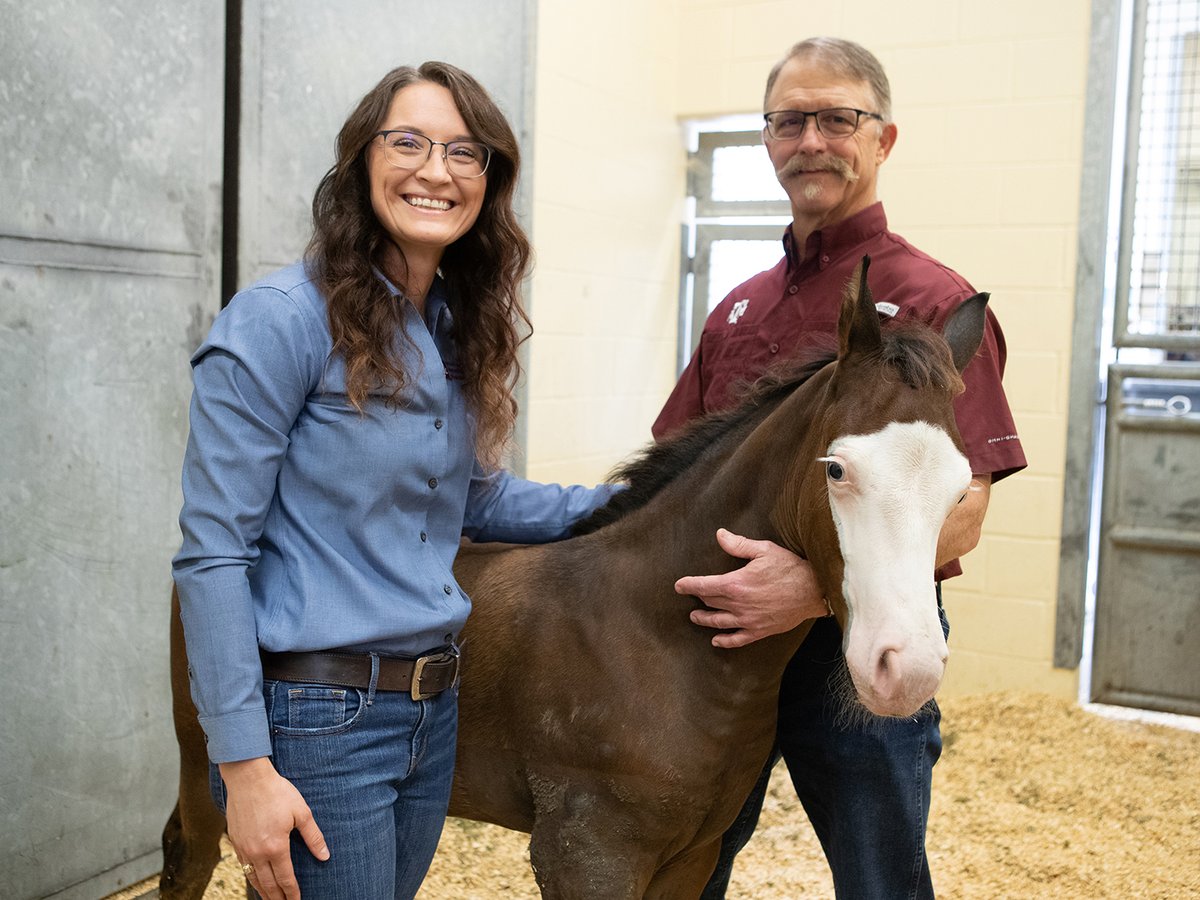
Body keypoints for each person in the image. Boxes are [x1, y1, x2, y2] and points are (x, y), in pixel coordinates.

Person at [172, 62, 617, 900]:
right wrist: (244, 766)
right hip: (315, 718)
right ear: (361, 161)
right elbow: (213, 554)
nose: (436, 170)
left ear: (488, 180)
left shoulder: (447, 326)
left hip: (429, 710)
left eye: (464, 151)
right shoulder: (279, 320)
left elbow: (475, 498)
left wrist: (632, 501)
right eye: (407, 142)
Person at [653, 38, 1028, 899]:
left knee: (878, 879)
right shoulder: (738, 308)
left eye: (837, 119)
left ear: (882, 139)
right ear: (767, 140)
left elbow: (966, 510)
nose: (811, 141)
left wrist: (814, 589)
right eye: (790, 122)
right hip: (723, 644)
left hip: (860, 639)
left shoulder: (934, 304)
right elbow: (673, 481)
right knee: (684, 871)